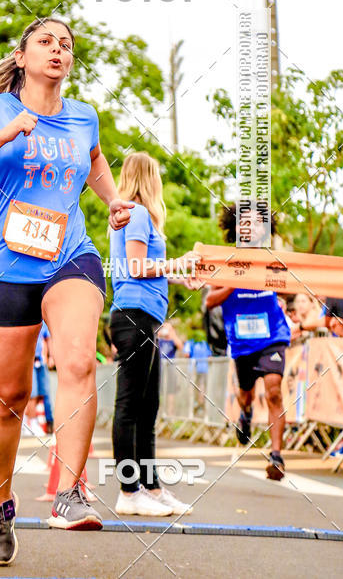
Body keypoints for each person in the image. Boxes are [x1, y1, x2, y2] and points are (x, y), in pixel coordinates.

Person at [0, 16, 133, 565]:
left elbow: (94, 161)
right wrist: (4, 134)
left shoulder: (84, 117)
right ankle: (1, 502)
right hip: (5, 269)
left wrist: (113, 200)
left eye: (66, 44)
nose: (58, 50)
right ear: (22, 57)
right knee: (8, 400)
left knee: (76, 361)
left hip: (70, 255)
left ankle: (71, 493)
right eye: (46, 42)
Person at [109, 152, 197, 517]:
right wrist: (178, 264)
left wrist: (180, 276)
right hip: (133, 316)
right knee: (130, 406)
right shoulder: (139, 213)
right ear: (151, 179)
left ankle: (153, 487)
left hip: (145, 318)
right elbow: (136, 266)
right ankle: (128, 492)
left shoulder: (131, 216)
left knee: (148, 408)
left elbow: (147, 269)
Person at [207, 203, 290, 481]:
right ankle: (245, 413)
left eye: (257, 222)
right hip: (242, 341)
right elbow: (209, 301)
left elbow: (292, 287)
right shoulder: (224, 260)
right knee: (246, 395)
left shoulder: (273, 260)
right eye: (246, 221)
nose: (251, 226)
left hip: (273, 335)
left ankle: (276, 456)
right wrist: (235, 279)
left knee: (274, 390)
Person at [23, 322, 54, 436]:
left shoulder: (43, 322)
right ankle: (31, 422)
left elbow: (48, 339)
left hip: (40, 361)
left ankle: (27, 421)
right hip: (28, 361)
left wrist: (51, 356)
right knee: (32, 394)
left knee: (42, 393)